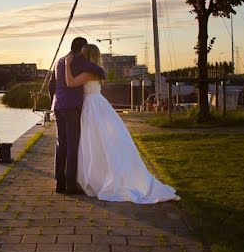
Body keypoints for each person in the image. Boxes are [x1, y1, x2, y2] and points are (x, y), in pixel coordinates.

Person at [65, 44, 178, 203]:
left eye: (83, 55)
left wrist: (66, 65)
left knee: (93, 142)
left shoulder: (88, 73)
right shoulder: (96, 70)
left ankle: (97, 177)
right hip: (98, 104)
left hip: (92, 106)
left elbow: (70, 83)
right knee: (98, 141)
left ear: (88, 56)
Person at [48, 37, 106, 194]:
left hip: (58, 107)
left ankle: (59, 183)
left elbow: (51, 85)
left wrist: (53, 103)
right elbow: (98, 71)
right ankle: (71, 185)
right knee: (72, 145)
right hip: (72, 108)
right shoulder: (79, 61)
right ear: (82, 49)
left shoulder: (59, 61)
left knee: (61, 143)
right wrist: (102, 73)